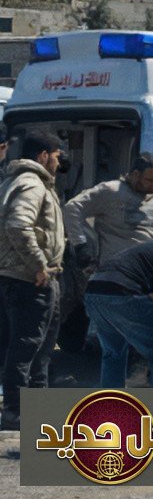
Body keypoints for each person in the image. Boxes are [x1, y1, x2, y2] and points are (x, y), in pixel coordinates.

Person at [0, 130, 65, 429]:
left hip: (30, 278)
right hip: (30, 279)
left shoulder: (25, 182)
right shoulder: (32, 184)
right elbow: (17, 224)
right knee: (26, 347)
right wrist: (39, 263)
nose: (59, 162)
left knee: (39, 348)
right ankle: (16, 412)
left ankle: (36, 411)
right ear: (43, 156)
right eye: (56, 156)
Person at [84, 236, 153, 388]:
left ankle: (110, 408)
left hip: (93, 291)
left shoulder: (149, 248)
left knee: (113, 354)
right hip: (122, 292)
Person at [64, 152, 153, 268]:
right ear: (135, 175)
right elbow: (72, 208)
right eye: (149, 181)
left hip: (151, 268)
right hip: (117, 269)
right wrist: (80, 245)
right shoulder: (111, 191)